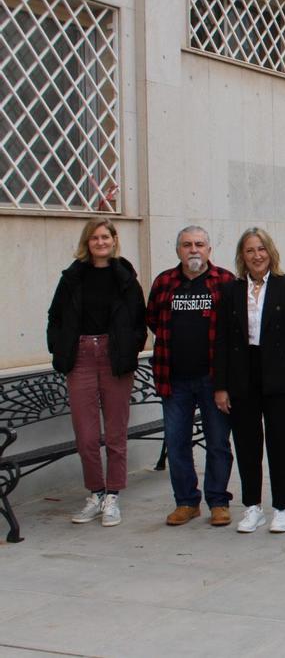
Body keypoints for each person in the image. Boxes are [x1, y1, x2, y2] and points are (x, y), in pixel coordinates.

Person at [47, 217, 147, 527]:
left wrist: (129, 349)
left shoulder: (125, 277)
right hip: (81, 357)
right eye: (94, 238)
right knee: (87, 435)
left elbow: (138, 320)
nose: (100, 242)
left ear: (114, 240)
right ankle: (96, 492)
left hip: (114, 356)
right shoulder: (72, 277)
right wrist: (60, 349)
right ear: (87, 243)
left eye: (105, 237)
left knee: (116, 433)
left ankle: (113, 496)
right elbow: (56, 316)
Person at [213, 228, 285, 534]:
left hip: (279, 376)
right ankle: (252, 507)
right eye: (250, 250)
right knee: (247, 444)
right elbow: (223, 342)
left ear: (271, 252)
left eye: (261, 249)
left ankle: (281, 508)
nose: (257, 256)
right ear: (242, 256)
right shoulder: (230, 290)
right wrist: (221, 386)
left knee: (281, 444)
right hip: (242, 376)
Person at [146, 226, 236, 527]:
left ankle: (218, 501)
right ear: (178, 251)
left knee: (218, 442)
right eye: (187, 245)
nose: (193, 250)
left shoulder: (224, 281)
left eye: (199, 244)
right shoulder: (164, 282)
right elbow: (152, 320)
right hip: (174, 379)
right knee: (177, 442)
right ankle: (186, 502)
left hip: (214, 380)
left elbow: (236, 327)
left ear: (209, 250)